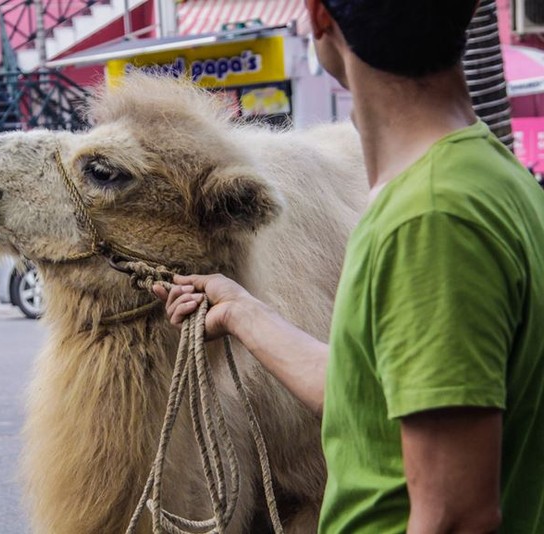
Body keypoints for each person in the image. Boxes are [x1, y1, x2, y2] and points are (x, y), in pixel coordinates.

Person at [153, 0, 544, 532]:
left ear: (318, 17)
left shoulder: (429, 219)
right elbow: (372, 395)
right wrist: (244, 312)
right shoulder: (484, 173)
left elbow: (458, 516)